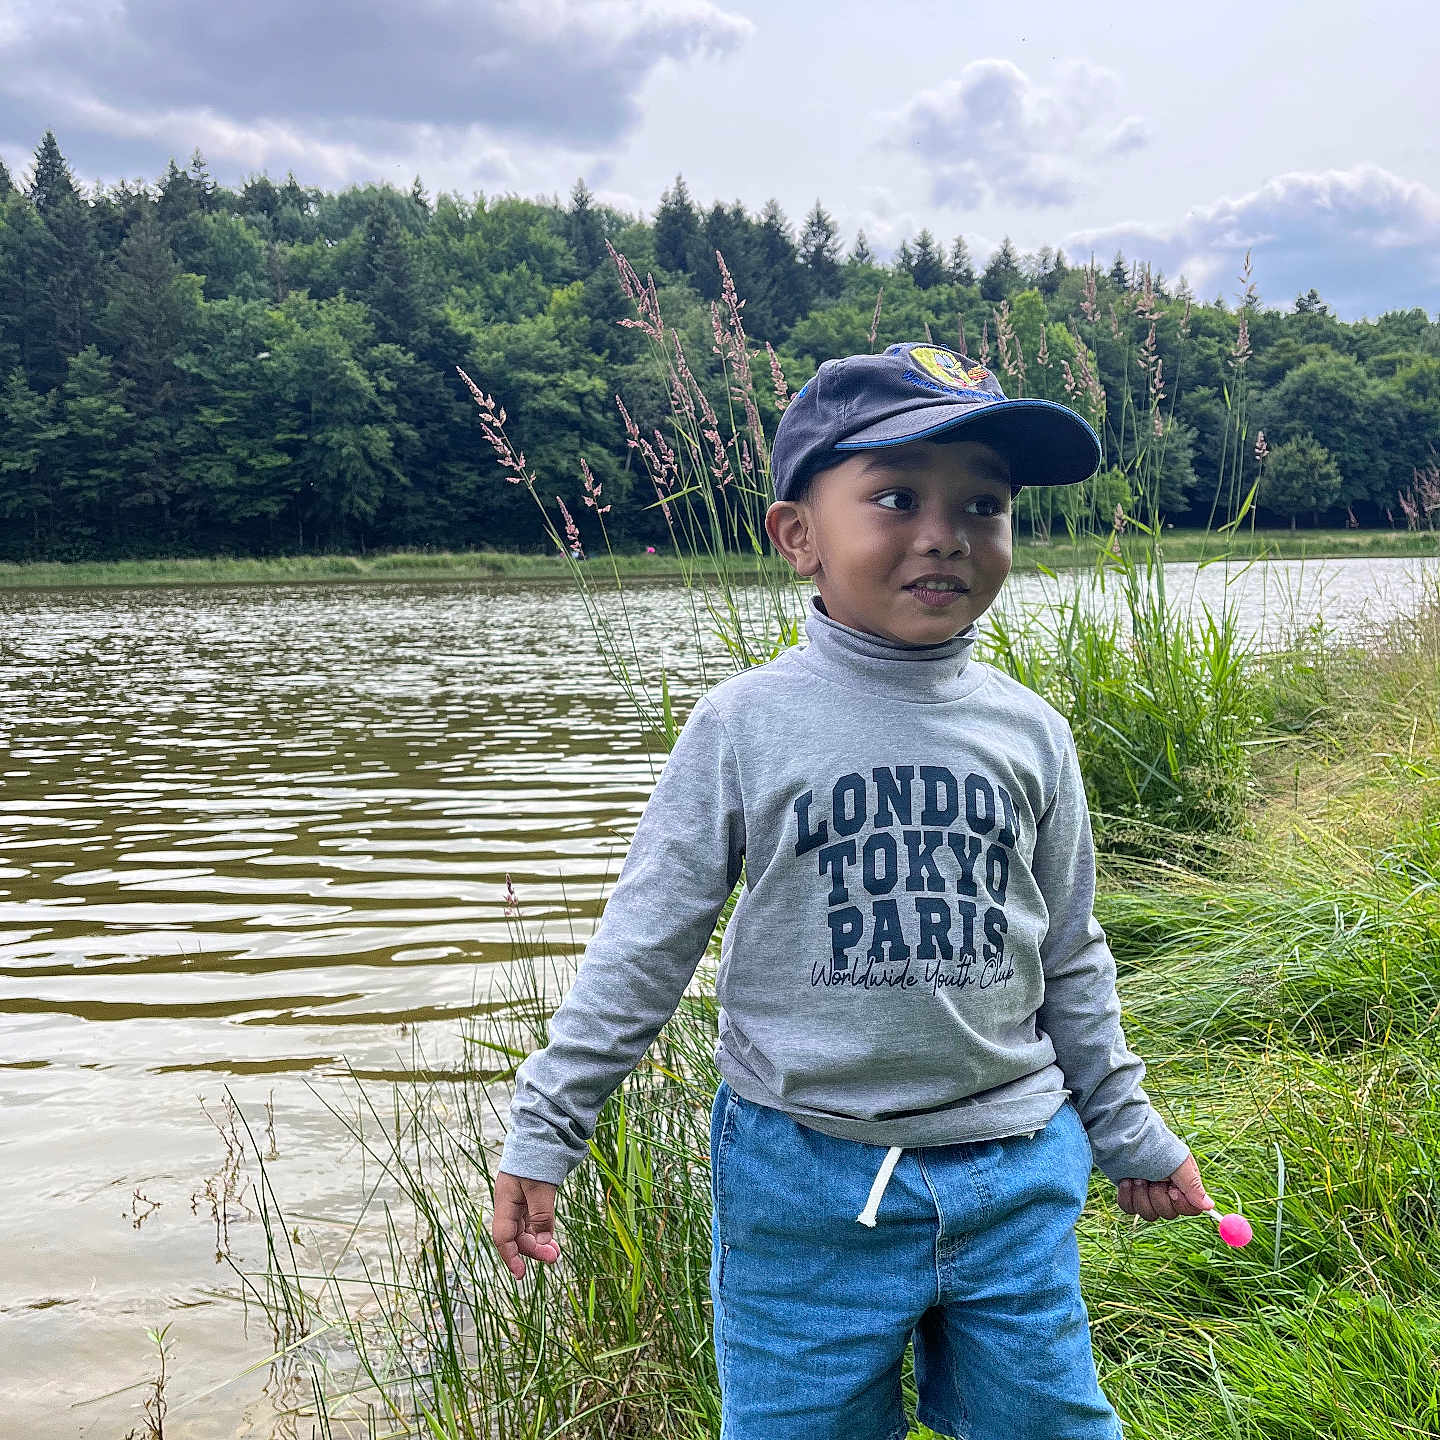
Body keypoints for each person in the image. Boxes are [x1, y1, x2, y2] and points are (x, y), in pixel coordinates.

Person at [490, 342, 1215, 1439]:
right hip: (801, 1183)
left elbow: (1069, 955)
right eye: (894, 496)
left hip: (1016, 1172)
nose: (944, 533)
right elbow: (646, 945)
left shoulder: (1033, 734)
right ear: (798, 537)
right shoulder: (741, 728)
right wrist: (548, 1126)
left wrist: (1129, 1131)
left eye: (983, 503)